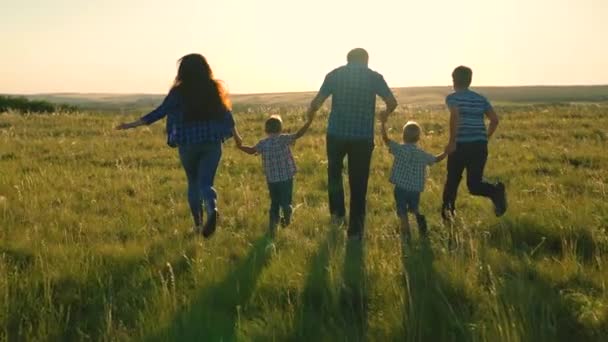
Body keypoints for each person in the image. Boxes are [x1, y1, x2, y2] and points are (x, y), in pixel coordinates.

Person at [116, 53, 241, 238]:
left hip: (188, 143)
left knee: (193, 182)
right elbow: (227, 116)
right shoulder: (214, 89)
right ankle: (212, 208)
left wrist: (132, 124)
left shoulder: (178, 92)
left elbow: (160, 112)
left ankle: (199, 225)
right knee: (207, 183)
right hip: (211, 143)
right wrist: (238, 140)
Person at [305, 48, 398, 239]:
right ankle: (355, 229)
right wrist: (385, 114)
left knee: (334, 175)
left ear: (347, 60)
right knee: (359, 181)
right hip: (362, 137)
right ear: (366, 60)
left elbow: (316, 103)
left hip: (336, 134)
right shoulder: (374, 77)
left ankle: (337, 217)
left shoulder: (334, 75)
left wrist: (310, 117)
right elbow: (392, 101)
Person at [442, 66, 507, 221]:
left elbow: (455, 118)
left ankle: (448, 215)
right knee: (475, 185)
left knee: (452, 181)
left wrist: (452, 142)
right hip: (479, 146)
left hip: (460, 146)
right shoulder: (481, 98)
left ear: (454, 80)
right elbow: (494, 120)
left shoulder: (452, 98)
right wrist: (485, 137)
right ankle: (496, 191)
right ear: (470, 80)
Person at [235, 115, 313, 234]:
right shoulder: (283, 139)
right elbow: (298, 134)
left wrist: (240, 146)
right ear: (280, 128)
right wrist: (308, 122)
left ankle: (272, 226)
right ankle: (287, 213)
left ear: (266, 130)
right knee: (286, 200)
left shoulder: (263, 143)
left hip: (272, 180)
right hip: (287, 178)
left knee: (274, 202)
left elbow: (251, 151)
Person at [380, 119, 447, 242]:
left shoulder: (399, 149)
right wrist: (446, 152)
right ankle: (419, 219)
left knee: (402, 211)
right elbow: (435, 159)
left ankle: (406, 235)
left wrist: (383, 124)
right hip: (415, 189)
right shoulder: (421, 154)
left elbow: (386, 140)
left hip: (400, 188)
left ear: (403, 136)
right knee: (413, 208)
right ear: (418, 138)